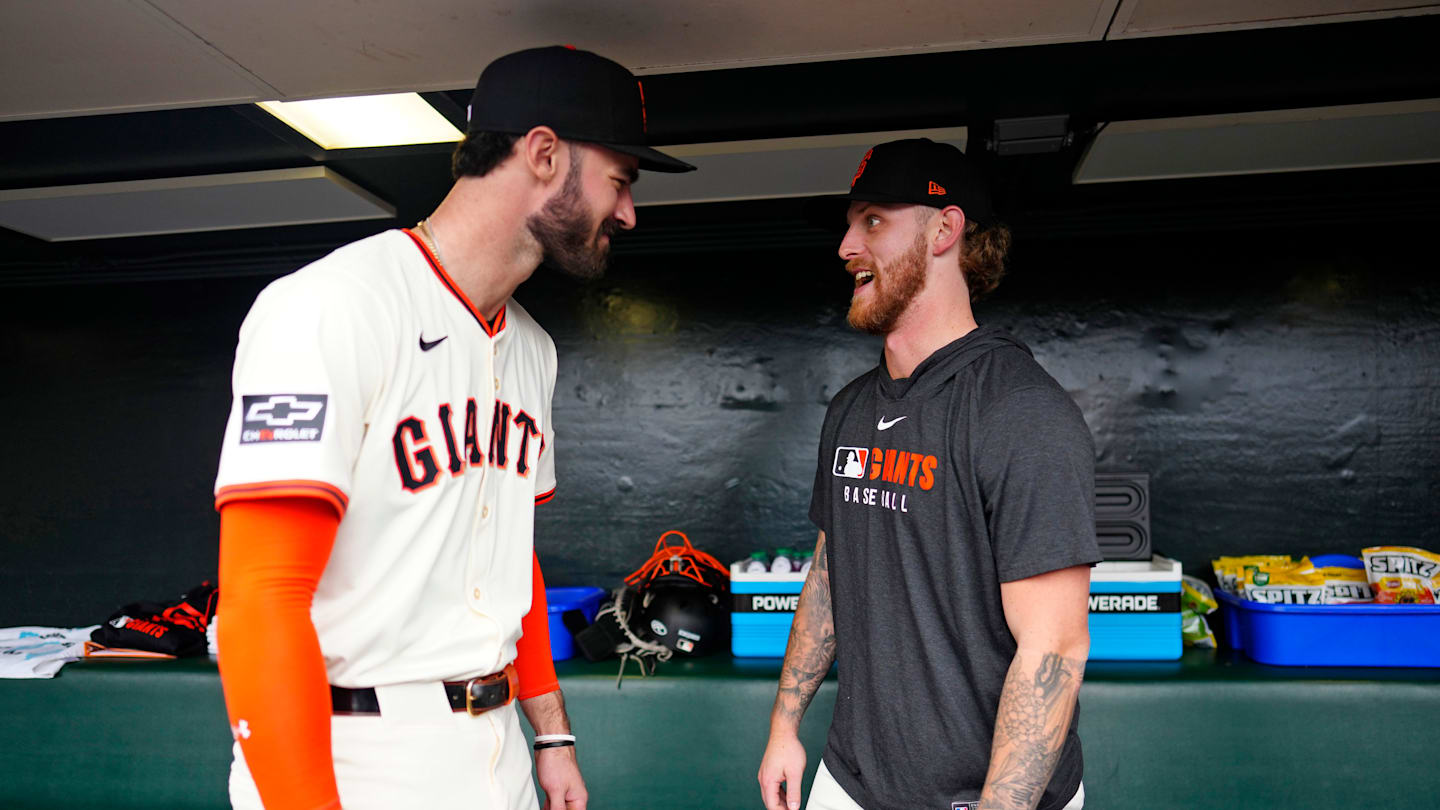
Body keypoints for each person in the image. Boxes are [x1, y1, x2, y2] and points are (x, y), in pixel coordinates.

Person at [213, 46, 694, 810]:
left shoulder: (532, 348)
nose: (629, 212)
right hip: (358, 750)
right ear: (543, 155)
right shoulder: (333, 305)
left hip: (495, 749)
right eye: (621, 181)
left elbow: (514, 563)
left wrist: (553, 736)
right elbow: (261, 598)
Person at [758, 138, 1101, 810]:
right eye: (849, 224)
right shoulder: (850, 409)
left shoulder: (1021, 410)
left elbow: (1054, 647)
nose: (846, 246)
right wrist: (784, 726)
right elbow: (830, 576)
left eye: (874, 221)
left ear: (945, 228)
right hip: (851, 779)